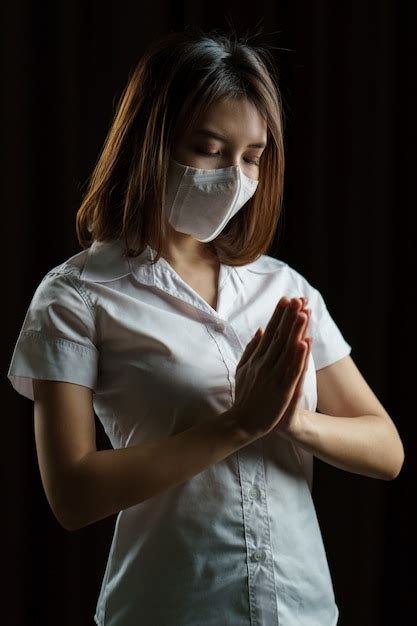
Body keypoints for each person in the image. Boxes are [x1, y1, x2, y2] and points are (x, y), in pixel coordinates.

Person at [7, 25, 404, 626]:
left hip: (302, 608)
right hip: (169, 607)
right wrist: (240, 423)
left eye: (252, 156)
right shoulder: (77, 295)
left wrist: (290, 420)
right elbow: (73, 493)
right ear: (151, 142)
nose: (233, 174)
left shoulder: (283, 288)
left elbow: (385, 449)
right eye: (208, 149)